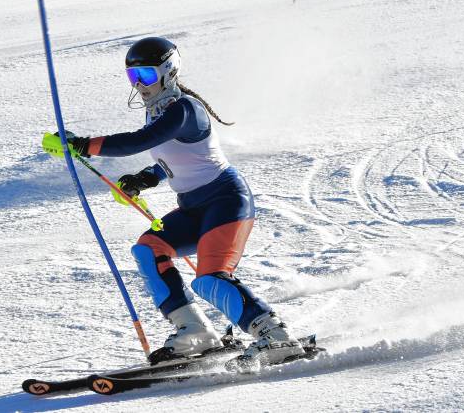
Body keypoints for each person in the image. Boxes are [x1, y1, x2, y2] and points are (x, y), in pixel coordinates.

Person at [65, 37, 304, 371]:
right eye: (132, 77)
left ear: (169, 70)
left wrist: (82, 145)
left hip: (225, 202)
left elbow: (140, 142)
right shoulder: (157, 112)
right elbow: (177, 159)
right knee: (148, 249)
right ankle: (194, 331)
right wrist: (145, 178)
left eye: (146, 76)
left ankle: (275, 336)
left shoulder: (185, 109)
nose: (139, 85)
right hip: (194, 208)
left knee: (209, 278)